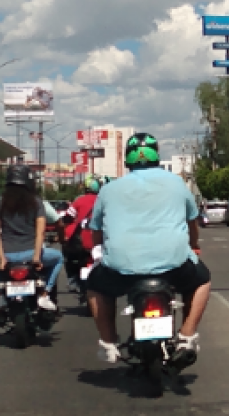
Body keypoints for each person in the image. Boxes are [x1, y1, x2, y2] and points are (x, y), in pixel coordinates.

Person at [86, 132, 211, 365]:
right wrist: (193, 246)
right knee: (202, 281)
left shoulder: (108, 189)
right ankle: (186, 336)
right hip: (173, 264)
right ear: (157, 156)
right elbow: (192, 223)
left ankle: (109, 343)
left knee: (95, 286)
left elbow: (96, 231)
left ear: (127, 160)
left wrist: (98, 250)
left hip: (121, 266)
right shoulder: (176, 182)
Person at [0, 164, 64, 326]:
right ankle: (44, 294)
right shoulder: (36, 203)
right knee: (58, 258)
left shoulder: (1, 203)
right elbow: (40, 232)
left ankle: (0, 297)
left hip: (7, 255)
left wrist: (1, 258)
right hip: (30, 254)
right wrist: (36, 257)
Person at [61, 175, 100, 292]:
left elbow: (67, 218)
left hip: (81, 244)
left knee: (68, 257)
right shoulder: (103, 200)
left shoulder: (79, 201)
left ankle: (73, 280)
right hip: (100, 243)